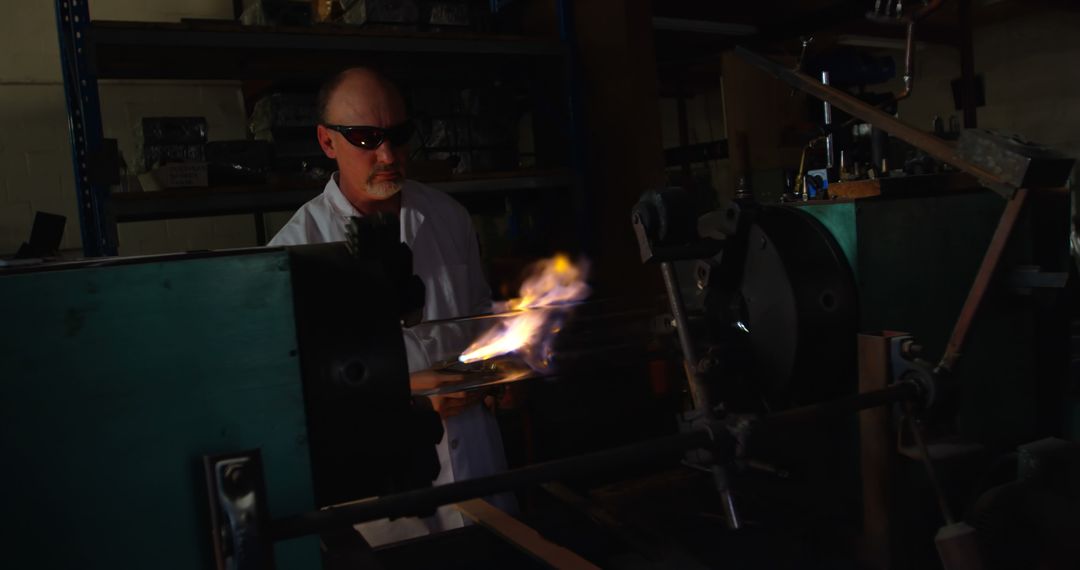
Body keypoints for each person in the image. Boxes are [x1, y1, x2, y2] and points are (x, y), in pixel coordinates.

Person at [268, 67, 511, 545]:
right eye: (365, 137)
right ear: (326, 142)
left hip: (481, 476)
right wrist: (404, 395)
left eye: (399, 136)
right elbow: (289, 400)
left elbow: (481, 314)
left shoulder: (446, 216)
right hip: (387, 512)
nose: (387, 155)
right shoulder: (293, 252)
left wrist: (499, 367)